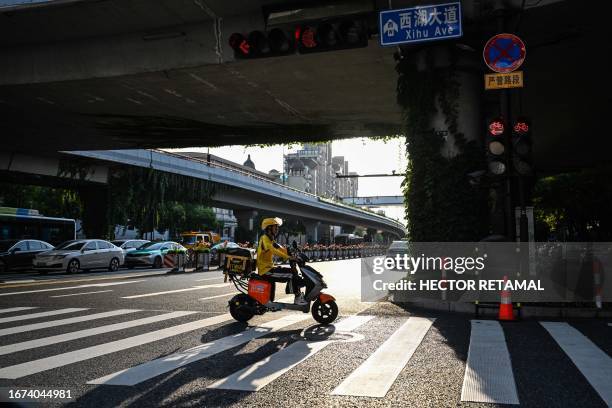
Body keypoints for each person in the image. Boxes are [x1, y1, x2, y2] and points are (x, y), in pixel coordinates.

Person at [256, 217, 306, 305]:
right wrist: (288, 257)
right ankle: (297, 297)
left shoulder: (271, 239)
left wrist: (292, 252)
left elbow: (280, 248)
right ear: (269, 228)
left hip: (269, 268)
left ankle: (271, 303)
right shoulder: (264, 239)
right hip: (266, 270)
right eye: (275, 227)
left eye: (277, 227)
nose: (277, 229)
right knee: (291, 273)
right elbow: (273, 250)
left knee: (293, 272)